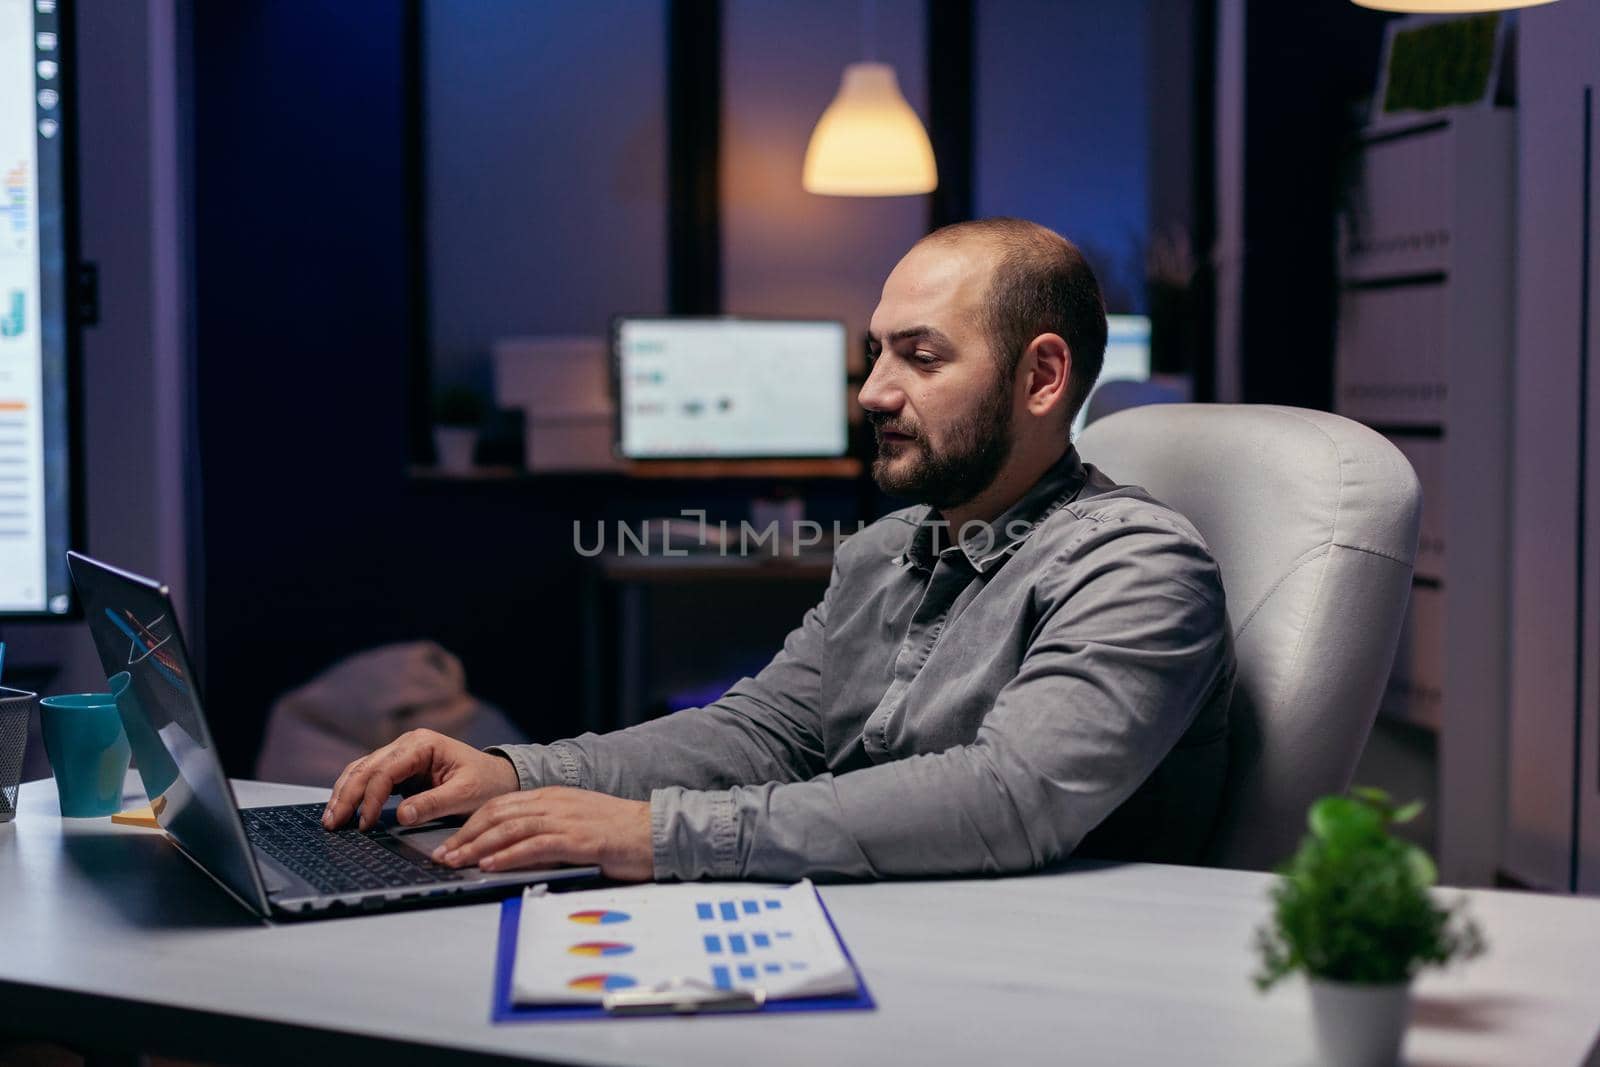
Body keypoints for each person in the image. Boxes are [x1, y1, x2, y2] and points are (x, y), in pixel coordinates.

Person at [322, 218, 1235, 882]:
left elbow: (1006, 797)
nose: (873, 391)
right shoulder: (884, 553)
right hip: (887, 921)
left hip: (1044, 980)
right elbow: (763, 731)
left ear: (1042, 377)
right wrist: (523, 772)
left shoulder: (1139, 567)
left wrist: (657, 833)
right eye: (874, 353)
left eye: (921, 357)